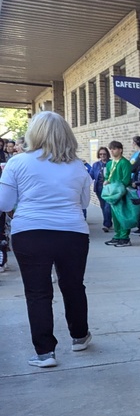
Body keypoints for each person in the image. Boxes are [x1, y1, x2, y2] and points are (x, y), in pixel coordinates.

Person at [0, 111, 93, 368]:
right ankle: (79, 336)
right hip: (72, 232)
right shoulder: (78, 166)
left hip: (30, 231)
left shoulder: (17, 163)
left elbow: (4, 203)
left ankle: (44, 352)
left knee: (37, 292)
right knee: (73, 285)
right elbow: (84, 203)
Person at [103, 140, 136, 247]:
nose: (112, 151)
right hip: (112, 194)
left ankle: (124, 237)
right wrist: (106, 181)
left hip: (122, 193)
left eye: (114, 149)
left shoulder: (124, 163)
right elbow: (107, 176)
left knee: (123, 215)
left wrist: (116, 187)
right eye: (111, 149)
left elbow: (126, 180)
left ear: (120, 150)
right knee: (115, 215)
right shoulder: (109, 163)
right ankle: (118, 235)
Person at [90, 147, 113, 231]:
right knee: (103, 206)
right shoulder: (96, 164)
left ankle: (106, 224)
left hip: (109, 188)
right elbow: (91, 175)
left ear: (107, 154)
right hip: (99, 187)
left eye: (104, 154)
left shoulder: (111, 163)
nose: (102, 155)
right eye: (100, 154)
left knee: (108, 206)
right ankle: (108, 222)